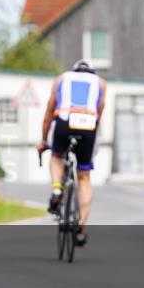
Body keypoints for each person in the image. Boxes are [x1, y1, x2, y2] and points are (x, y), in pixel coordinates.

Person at [36, 59, 106, 246]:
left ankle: (56, 189)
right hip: (89, 124)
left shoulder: (61, 78)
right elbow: (99, 112)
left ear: (74, 71)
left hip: (64, 121)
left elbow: (49, 111)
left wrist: (43, 140)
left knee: (56, 156)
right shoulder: (100, 83)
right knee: (84, 177)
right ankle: (81, 228)